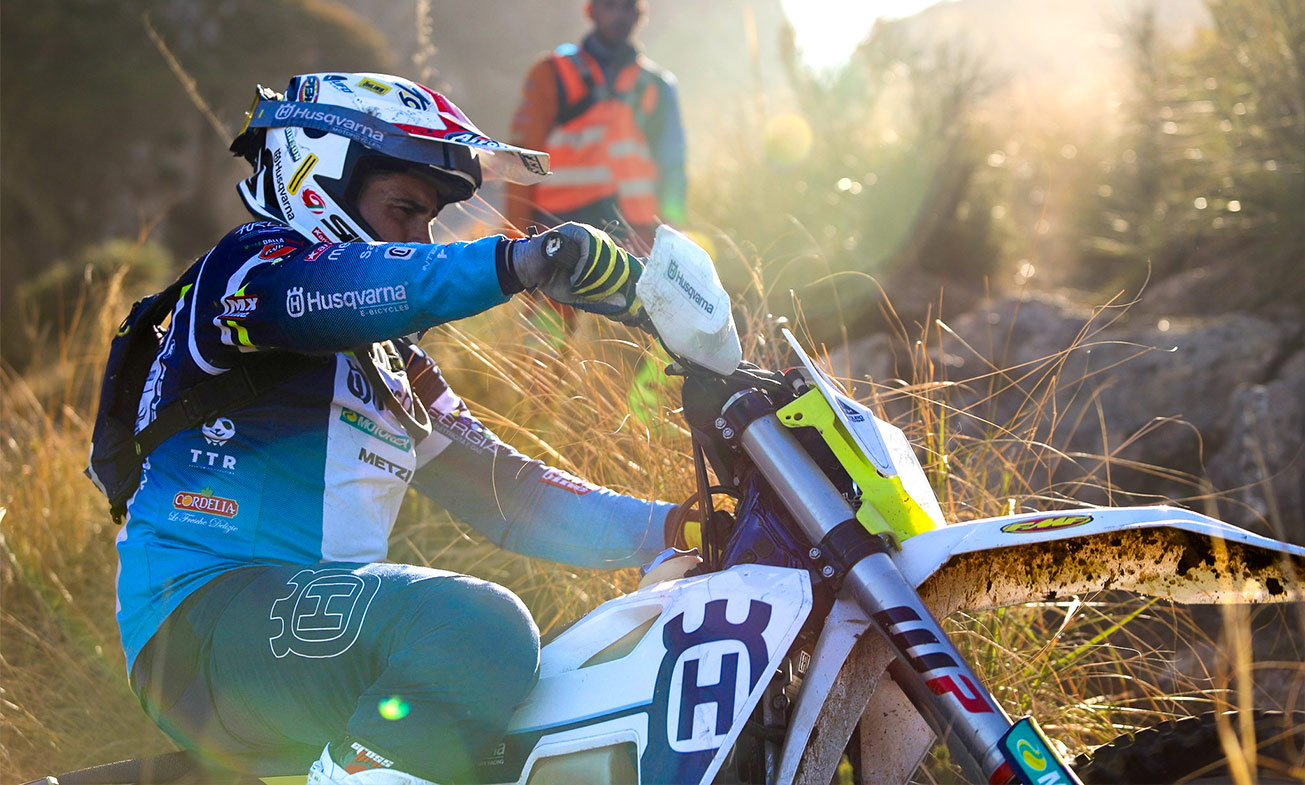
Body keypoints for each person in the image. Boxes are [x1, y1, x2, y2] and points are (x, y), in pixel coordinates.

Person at [110, 71, 681, 785]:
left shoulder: (393, 364)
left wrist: (675, 528)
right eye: (405, 208)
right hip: (200, 623)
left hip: (310, 635)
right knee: (474, 629)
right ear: (318, 179)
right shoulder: (248, 268)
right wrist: (519, 259)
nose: (420, 235)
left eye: (430, 220)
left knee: (537, 700)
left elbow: (512, 493)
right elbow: (335, 291)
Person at [507, 0, 687, 251]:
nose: (618, 15)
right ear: (590, 10)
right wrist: (516, 246)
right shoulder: (550, 73)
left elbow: (672, 169)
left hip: (635, 238)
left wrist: (672, 239)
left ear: (640, 14)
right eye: (609, 5)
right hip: (557, 233)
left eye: (627, 7)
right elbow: (521, 161)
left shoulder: (658, 86)